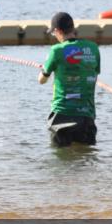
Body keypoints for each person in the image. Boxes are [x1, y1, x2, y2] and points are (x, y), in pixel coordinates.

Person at [38, 12, 100, 146]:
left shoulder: (56, 50)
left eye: (54, 33)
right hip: (87, 115)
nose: (54, 37)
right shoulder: (93, 48)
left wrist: (45, 67)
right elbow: (93, 75)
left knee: (61, 161)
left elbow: (42, 80)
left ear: (58, 31)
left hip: (62, 115)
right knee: (85, 159)